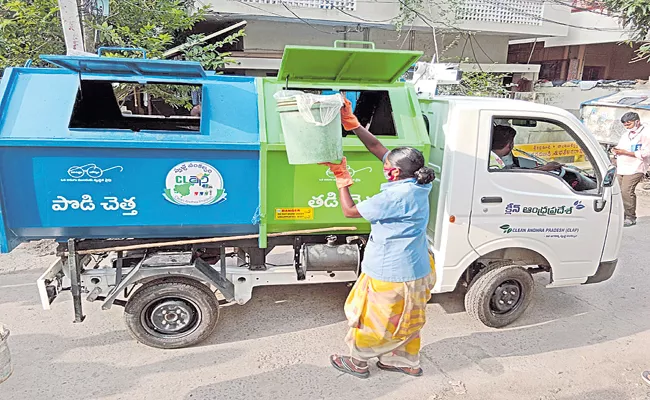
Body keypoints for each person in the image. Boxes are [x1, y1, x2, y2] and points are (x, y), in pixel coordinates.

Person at [323, 96, 436, 379]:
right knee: (406, 318)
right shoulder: (419, 182)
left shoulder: (395, 197)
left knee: (374, 319)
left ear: (394, 172)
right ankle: (405, 361)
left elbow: (349, 211)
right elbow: (378, 148)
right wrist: (354, 125)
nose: (384, 165)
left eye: (387, 166)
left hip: (390, 273)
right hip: (417, 269)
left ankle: (358, 362)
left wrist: (342, 178)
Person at [613, 112, 650, 227]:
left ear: (637, 122)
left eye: (629, 124)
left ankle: (630, 216)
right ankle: (621, 214)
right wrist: (616, 151)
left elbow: (645, 153)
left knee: (627, 191)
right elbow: (620, 147)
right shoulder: (626, 135)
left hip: (636, 167)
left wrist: (625, 152)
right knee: (617, 190)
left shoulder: (646, 134)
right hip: (622, 166)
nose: (627, 127)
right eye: (625, 125)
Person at [489, 124, 561, 172]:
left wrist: (542, 168)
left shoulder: (492, 158)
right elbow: (512, 178)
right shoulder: (493, 163)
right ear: (509, 145)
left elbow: (512, 171)